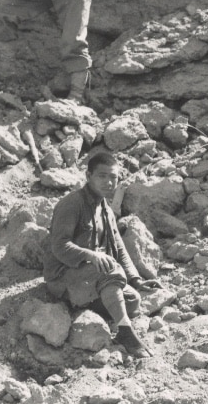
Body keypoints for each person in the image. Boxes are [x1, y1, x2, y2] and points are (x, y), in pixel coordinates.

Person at [43, 151, 159, 359]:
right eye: (102, 176)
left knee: (133, 300)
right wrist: (91, 255)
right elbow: (59, 246)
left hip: (89, 275)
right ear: (88, 176)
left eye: (113, 177)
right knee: (110, 270)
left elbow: (119, 247)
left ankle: (84, 304)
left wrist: (136, 279)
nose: (108, 182)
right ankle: (124, 332)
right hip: (62, 275)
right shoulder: (71, 204)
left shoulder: (105, 207)